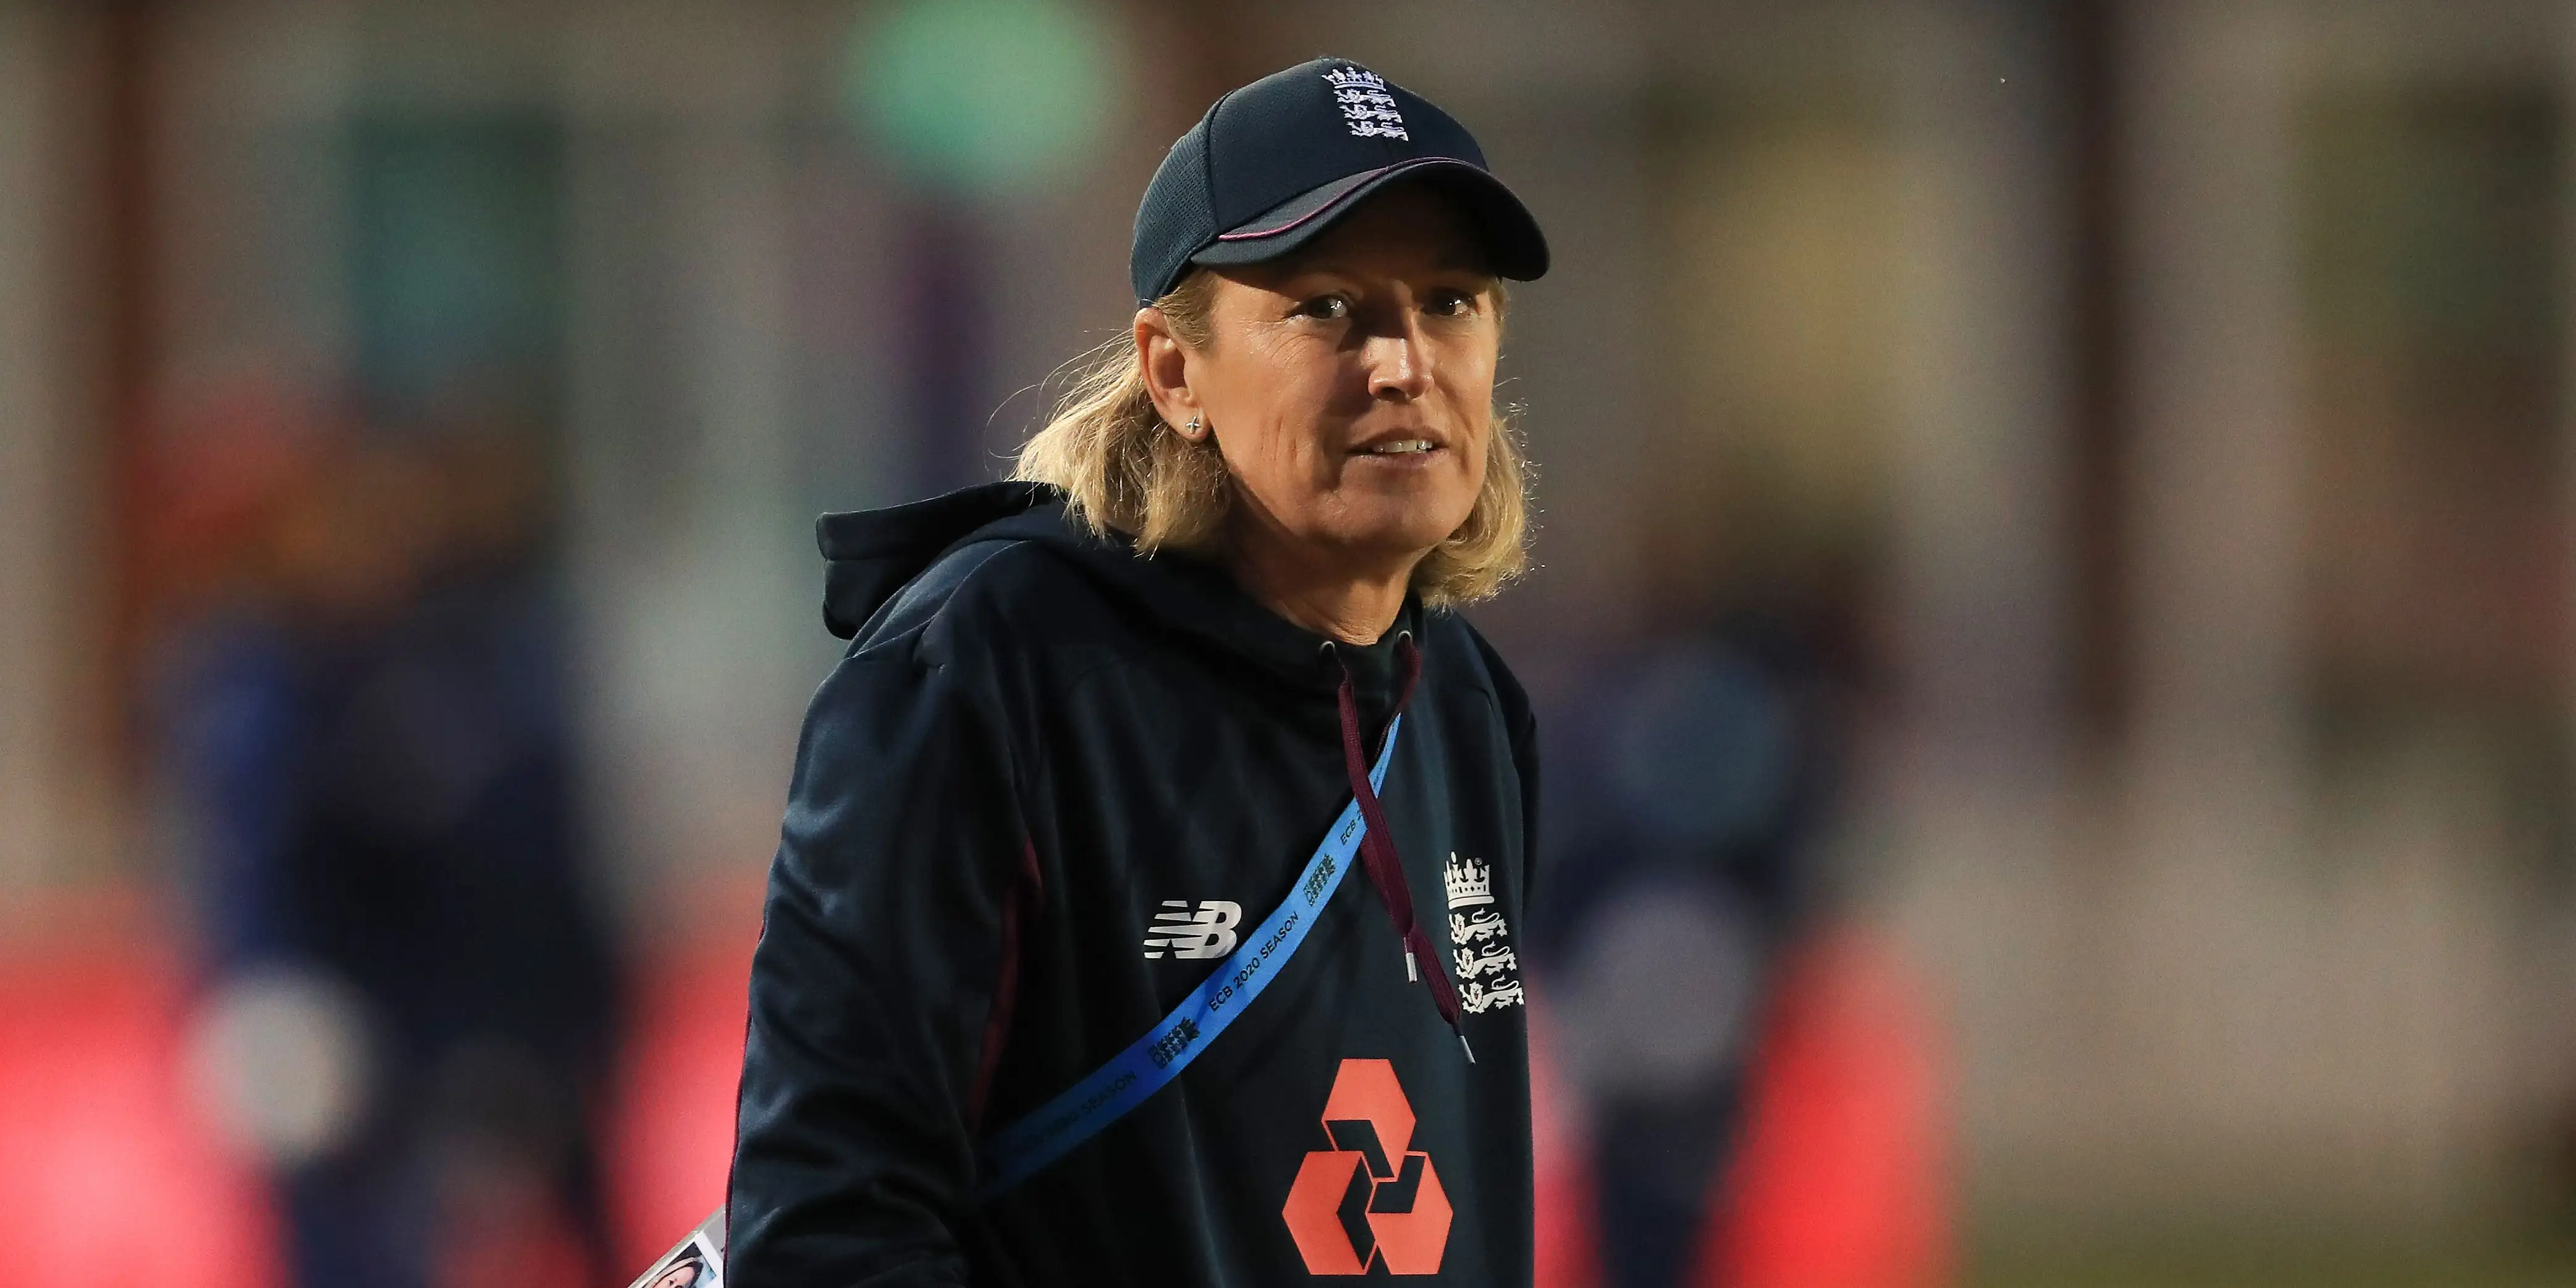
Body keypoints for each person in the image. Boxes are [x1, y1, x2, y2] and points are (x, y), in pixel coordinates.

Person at [725, 57, 1552, 1286]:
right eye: (1325, 306)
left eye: (1449, 302)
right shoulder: (989, 667)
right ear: (1173, 372)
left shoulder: (1468, 702)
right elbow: (829, 1230)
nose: (1401, 362)